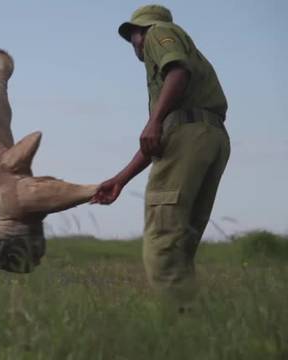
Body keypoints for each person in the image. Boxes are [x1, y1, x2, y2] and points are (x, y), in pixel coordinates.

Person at [91, 4, 230, 309]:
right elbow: (158, 142)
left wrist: (154, 120)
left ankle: (179, 326)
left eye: (133, 35)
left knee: (163, 243)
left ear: (143, 30)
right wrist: (121, 180)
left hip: (189, 136)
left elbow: (176, 73)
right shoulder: (182, 82)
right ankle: (200, 328)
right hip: (210, 138)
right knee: (182, 246)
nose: (134, 44)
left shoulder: (159, 34)